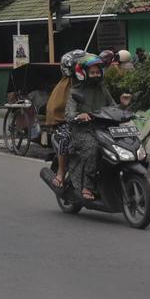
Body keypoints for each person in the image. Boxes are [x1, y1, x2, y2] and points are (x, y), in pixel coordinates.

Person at [64, 52, 112, 201]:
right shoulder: (75, 91)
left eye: (98, 72)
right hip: (81, 131)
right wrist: (79, 116)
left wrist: (124, 106)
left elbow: (113, 107)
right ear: (84, 73)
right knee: (93, 149)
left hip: (102, 129)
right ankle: (87, 186)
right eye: (92, 72)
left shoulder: (103, 89)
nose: (96, 75)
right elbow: (68, 114)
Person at [46, 50, 84, 190]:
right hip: (67, 123)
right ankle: (61, 172)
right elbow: (58, 108)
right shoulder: (66, 86)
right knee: (64, 138)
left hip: (91, 122)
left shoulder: (94, 82)